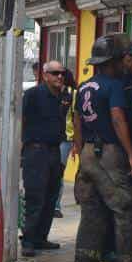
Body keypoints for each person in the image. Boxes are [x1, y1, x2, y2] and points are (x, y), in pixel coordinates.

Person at [72, 36, 132, 262]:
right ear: (112, 62)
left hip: (89, 152)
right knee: (125, 205)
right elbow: (117, 118)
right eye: (121, 59)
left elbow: (77, 120)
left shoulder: (83, 87)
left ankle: (88, 261)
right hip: (110, 152)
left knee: (92, 208)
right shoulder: (114, 86)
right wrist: (131, 154)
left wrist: (80, 152)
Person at [21, 61, 67, 256]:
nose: (59, 77)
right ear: (45, 75)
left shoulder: (62, 96)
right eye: (55, 73)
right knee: (35, 196)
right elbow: (21, 120)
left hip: (54, 151)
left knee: (51, 196)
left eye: (61, 73)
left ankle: (41, 238)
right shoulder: (33, 94)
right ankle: (29, 241)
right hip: (36, 151)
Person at [54, 68, 77, 218]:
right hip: (54, 138)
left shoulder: (72, 94)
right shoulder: (53, 93)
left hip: (66, 138)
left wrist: (76, 142)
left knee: (58, 173)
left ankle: (55, 205)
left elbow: (76, 119)